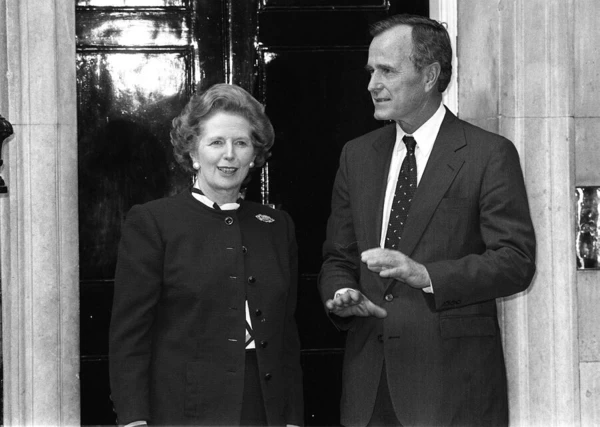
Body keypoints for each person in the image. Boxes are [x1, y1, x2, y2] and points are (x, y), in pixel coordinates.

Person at [318, 14, 536, 427]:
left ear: (430, 75)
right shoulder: (357, 155)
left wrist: (425, 274)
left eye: (387, 71)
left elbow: (515, 262)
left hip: (453, 388)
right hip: (369, 389)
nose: (372, 85)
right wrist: (342, 291)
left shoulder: (488, 153)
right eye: (371, 71)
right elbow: (338, 257)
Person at [109, 83, 304, 426]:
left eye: (241, 143)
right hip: (184, 409)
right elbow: (130, 335)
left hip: (263, 408)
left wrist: (291, 418)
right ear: (193, 153)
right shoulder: (154, 222)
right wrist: (133, 418)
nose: (229, 155)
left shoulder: (276, 225)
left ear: (254, 155)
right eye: (216, 143)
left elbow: (285, 334)